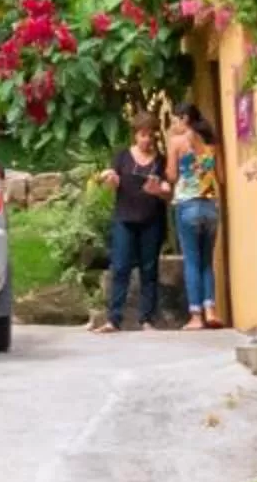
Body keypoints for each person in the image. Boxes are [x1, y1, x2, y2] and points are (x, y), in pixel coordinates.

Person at [95, 117, 173, 332]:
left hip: (151, 220)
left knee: (149, 269)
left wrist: (160, 191)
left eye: (150, 135)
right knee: (120, 267)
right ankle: (114, 319)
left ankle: (147, 319)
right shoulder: (122, 156)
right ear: (135, 135)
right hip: (124, 218)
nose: (147, 140)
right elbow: (111, 176)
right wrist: (109, 178)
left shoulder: (161, 161)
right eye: (142, 135)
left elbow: (168, 190)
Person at [169, 107, 225, 330]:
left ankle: (195, 315)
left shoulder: (178, 142)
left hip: (188, 204)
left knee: (191, 261)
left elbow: (172, 174)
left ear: (184, 119)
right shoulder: (213, 143)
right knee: (206, 261)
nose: (173, 124)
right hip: (210, 205)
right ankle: (211, 310)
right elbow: (220, 177)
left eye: (175, 119)